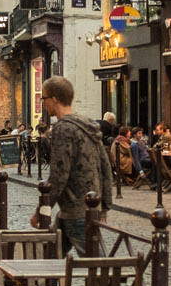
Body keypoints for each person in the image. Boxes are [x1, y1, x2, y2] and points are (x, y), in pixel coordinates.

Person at [33, 76, 114, 254]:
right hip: (85, 206)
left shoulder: (63, 129)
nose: (43, 103)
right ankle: (41, 280)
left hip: (76, 208)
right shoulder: (88, 126)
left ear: (54, 99)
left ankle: (115, 283)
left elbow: (58, 174)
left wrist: (41, 210)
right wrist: (105, 204)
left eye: (43, 98)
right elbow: (105, 165)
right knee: (48, 257)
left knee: (98, 268)